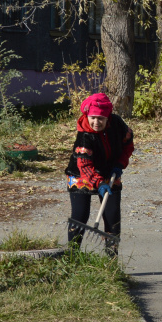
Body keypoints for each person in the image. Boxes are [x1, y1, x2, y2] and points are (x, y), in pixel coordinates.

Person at [66, 92, 134, 256]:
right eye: (93, 117)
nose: (96, 122)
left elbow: (128, 144)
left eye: (101, 119)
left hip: (110, 172)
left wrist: (120, 164)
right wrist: (99, 183)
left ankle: (110, 263)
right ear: (87, 115)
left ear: (108, 117)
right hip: (81, 175)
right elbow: (85, 165)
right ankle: (72, 258)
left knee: (112, 217)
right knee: (80, 216)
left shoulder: (117, 123)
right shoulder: (84, 136)